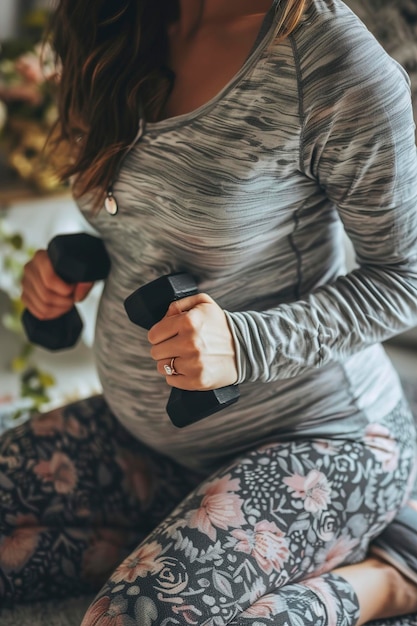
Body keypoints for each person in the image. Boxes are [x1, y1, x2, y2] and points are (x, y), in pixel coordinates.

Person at [5, 0, 417, 623]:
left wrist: (245, 344)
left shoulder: (333, 61)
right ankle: (177, 527)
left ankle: (390, 579)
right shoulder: (114, 17)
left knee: (131, 616)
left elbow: (404, 278)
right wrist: (62, 274)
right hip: (153, 445)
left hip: (322, 438)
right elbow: (144, 224)